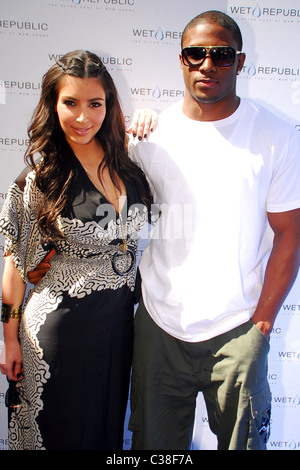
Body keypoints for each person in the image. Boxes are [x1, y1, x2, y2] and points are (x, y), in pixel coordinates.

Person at [127, 11, 300, 450]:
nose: (207, 65)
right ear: (181, 60)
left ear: (240, 62)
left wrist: (261, 325)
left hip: (238, 328)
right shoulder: (148, 137)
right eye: (196, 54)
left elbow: (290, 235)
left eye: (221, 55)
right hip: (159, 325)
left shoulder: (276, 135)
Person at [0, 50, 154, 450]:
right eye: (70, 103)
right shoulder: (41, 178)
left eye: (95, 104)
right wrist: (10, 340)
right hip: (56, 334)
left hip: (117, 333)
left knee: (102, 434)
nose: (83, 117)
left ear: (109, 105)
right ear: (53, 105)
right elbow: (16, 266)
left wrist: (152, 121)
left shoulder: (131, 167)